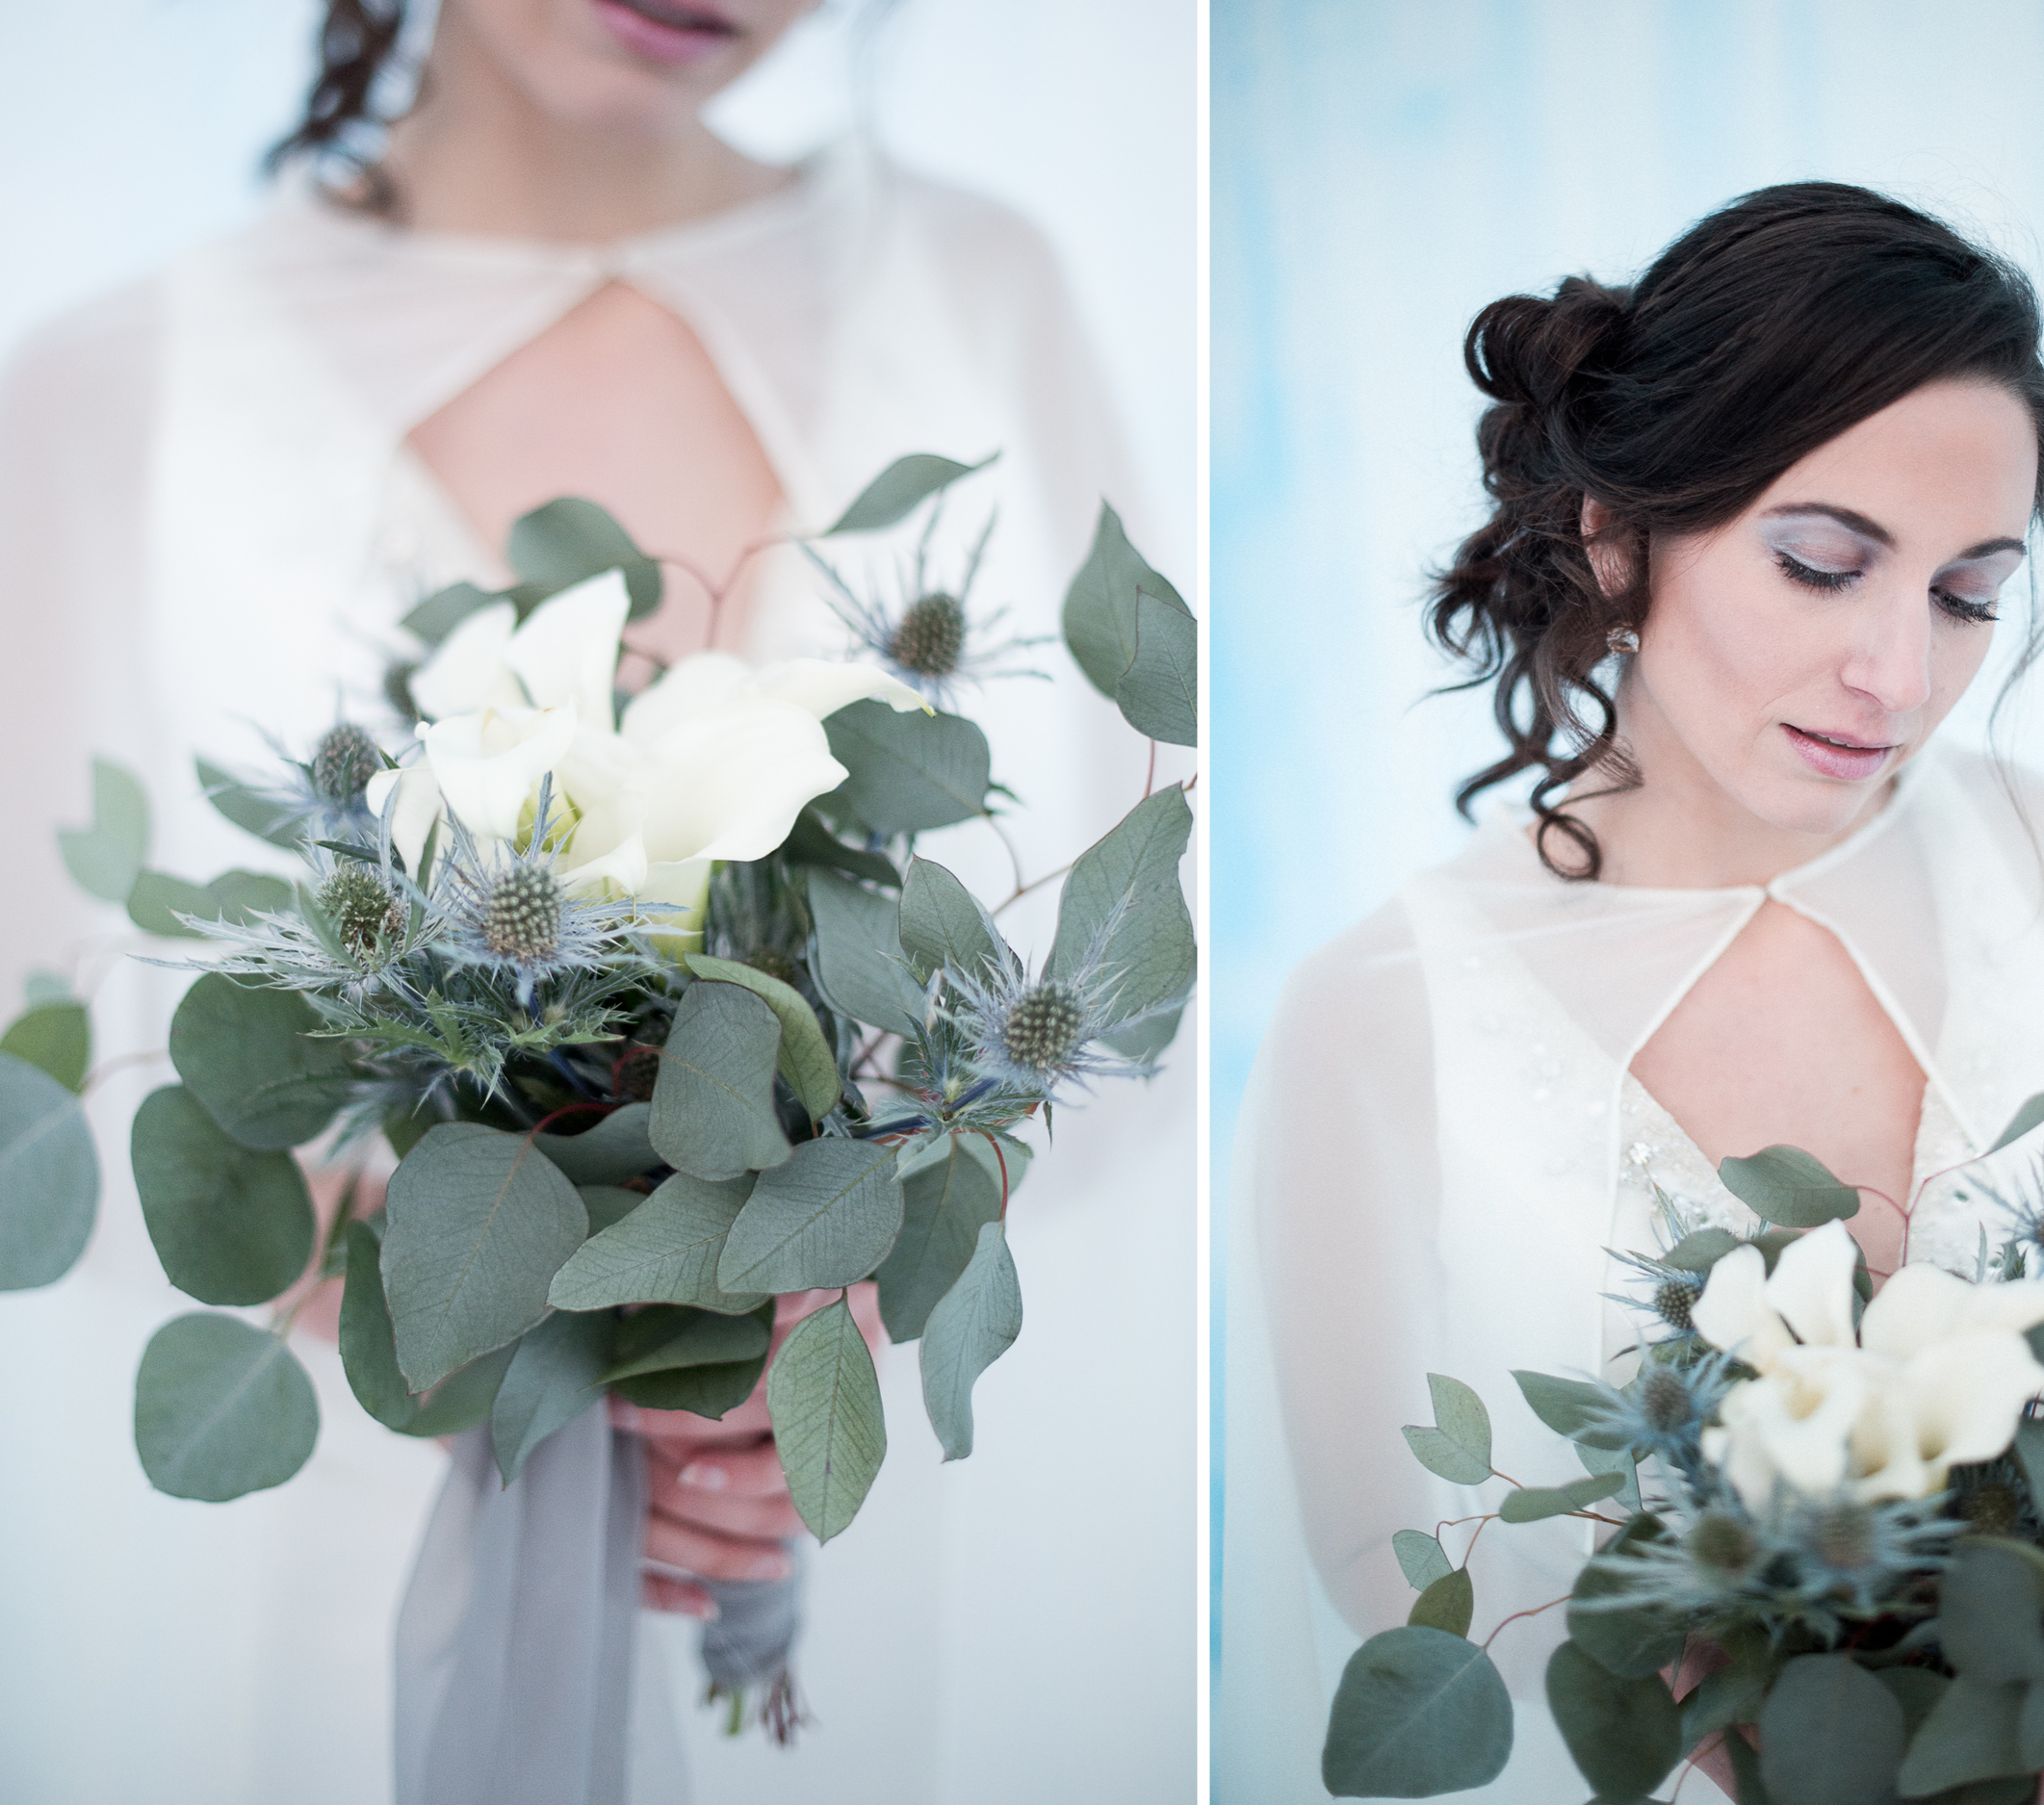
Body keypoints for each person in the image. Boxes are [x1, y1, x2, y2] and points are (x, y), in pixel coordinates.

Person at [0, 1, 1193, 1799]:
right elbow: (45, 1059)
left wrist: (805, 1303)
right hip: (335, 1546)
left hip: (828, 1507)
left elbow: (1126, 967)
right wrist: (559, 1342)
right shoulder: (107, 385)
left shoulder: (980, 289)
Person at [1218, 184, 2044, 1802]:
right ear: (1615, 530)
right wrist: (1730, 1713)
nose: (1902, 676)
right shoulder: (1377, 1010)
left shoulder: (2035, 851)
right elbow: (1384, 1564)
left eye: (1965, 596)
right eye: (1820, 565)